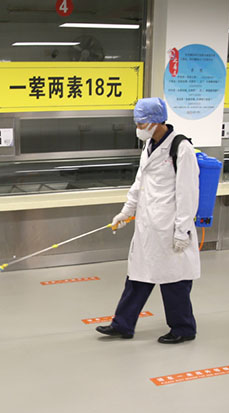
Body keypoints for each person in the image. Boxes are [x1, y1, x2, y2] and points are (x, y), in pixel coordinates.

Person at [96, 97, 200, 344]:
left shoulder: (181, 148)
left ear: (157, 121)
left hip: (170, 227)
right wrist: (125, 212)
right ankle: (123, 325)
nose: (138, 128)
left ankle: (184, 328)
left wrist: (182, 230)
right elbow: (139, 184)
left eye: (142, 123)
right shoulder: (149, 147)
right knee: (137, 277)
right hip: (148, 226)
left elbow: (188, 192)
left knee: (174, 281)